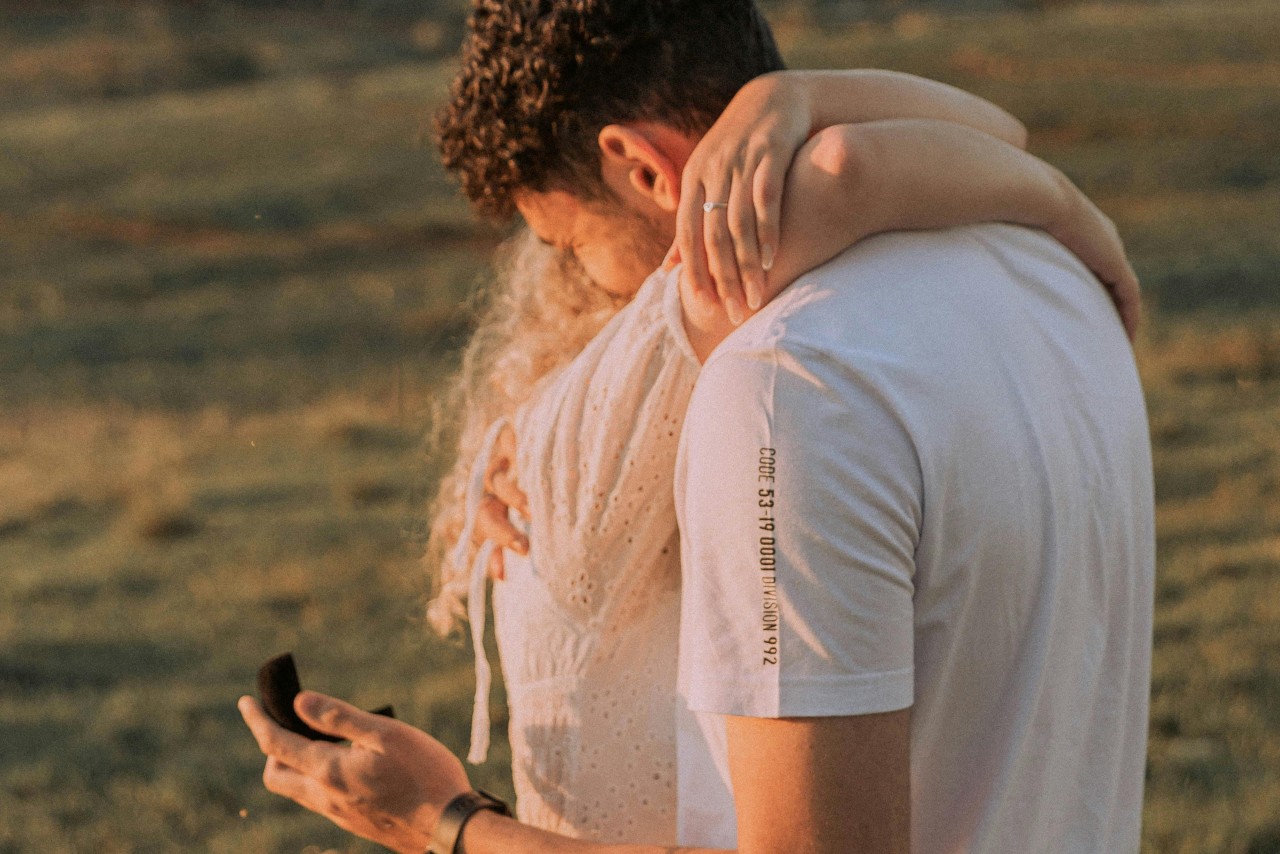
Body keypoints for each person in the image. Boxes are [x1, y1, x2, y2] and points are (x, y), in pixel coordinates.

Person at [239, 2, 1154, 852]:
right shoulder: (1041, 275)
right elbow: (978, 137)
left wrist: (443, 820)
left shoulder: (779, 384)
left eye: (571, 247)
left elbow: (833, 179)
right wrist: (1061, 206)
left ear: (642, 169)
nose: (585, 291)